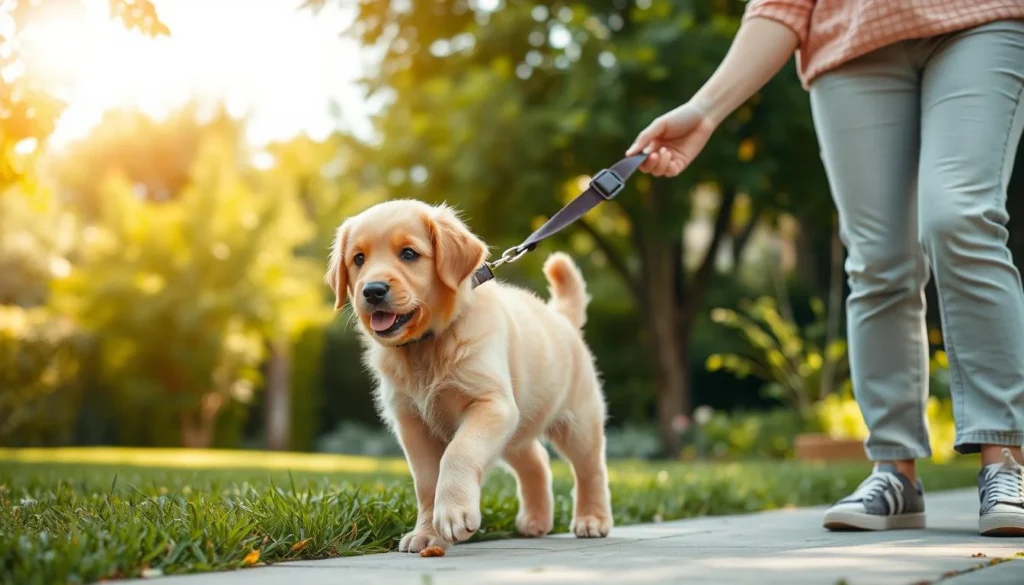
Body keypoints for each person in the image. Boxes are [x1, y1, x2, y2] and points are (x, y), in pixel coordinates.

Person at [627, 0, 1024, 536]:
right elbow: (781, 6)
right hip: (849, 41)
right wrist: (705, 110)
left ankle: (1004, 461)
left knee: (958, 216)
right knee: (878, 257)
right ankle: (894, 472)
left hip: (982, 19)